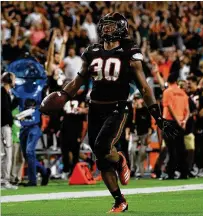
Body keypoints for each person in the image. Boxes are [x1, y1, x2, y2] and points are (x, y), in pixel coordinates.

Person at [41, 13, 178, 213]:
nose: (107, 29)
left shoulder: (129, 52)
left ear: (121, 28)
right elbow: (78, 81)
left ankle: (120, 159)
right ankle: (119, 200)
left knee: (102, 145)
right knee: (100, 156)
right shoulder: (92, 51)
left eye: (111, 26)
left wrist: (157, 117)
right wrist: (63, 95)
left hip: (117, 106)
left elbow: (144, 88)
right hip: (95, 107)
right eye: (105, 26)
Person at [1, 72, 18, 189]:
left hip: (3, 125)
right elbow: (4, 111)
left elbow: (6, 108)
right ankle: (4, 181)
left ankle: (3, 180)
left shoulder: (4, 93)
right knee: (7, 154)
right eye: (14, 79)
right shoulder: (2, 93)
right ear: (10, 80)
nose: (15, 81)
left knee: (3, 154)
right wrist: (12, 118)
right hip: (4, 127)